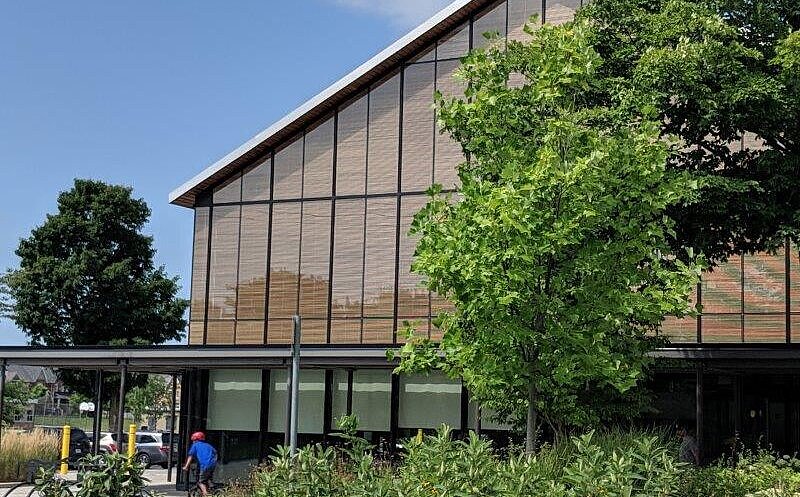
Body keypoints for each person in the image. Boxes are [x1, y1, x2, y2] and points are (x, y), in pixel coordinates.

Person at [182, 431, 217, 496]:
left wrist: (186, 466)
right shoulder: (208, 445)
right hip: (212, 465)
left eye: (193, 440)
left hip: (204, 465)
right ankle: (212, 488)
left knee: (201, 482)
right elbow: (215, 453)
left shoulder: (195, 445)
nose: (193, 442)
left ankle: (206, 494)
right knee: (207, 478)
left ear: (196, 440)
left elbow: (190, 456)